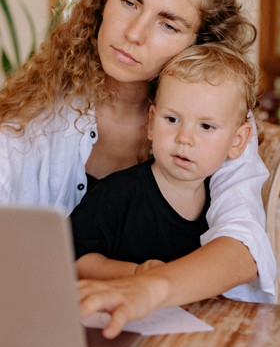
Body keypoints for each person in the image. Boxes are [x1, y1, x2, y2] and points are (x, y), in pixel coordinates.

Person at [0, 0, 275, 336]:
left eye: (168, 24)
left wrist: (146, 289)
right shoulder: (40, 109)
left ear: (199, 42)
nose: (133, 34)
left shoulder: (212, 125)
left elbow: (243, 247)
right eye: (130, 2)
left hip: (190, 334)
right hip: (50, 326)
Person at [69, 43, 256, 282]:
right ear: (151, 123)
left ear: (237, 141)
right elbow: (71, 259)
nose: (184, 138)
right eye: (172, 119)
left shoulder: (222, 207)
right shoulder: (115, 195)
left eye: (206, 126)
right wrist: (136, 273)